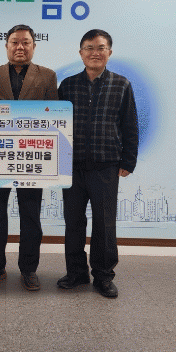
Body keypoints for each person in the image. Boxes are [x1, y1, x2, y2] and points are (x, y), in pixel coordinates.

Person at [0, 24, 58, 291]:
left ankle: (29, 270)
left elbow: (56, 116)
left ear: (34, 46)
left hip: (32, 160)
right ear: (7, 46)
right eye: (14, 42)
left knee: (31, 216)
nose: (20, 47)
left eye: (25, 42)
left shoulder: (47, 76)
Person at [57, 29, 138, 298]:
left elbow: (130, 125)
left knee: (105, 224)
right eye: (89, 48)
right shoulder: (67, 85)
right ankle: (76, 273)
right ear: (81, 53)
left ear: (109, 53)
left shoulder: (121, 84)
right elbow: (53, 124)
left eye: (101, 48)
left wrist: (128, 160)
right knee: (74, 223)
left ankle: (103, 276)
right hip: (72, 165)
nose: (95, 52)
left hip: (106, 165)